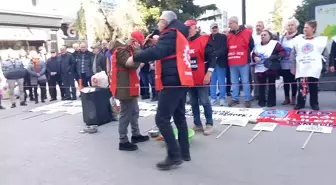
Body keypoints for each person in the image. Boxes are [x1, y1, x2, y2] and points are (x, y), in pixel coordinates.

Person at [125, 11, 193, 170]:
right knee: (179, 117)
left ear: (164, 21)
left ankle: (174, 156)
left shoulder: (170, 33)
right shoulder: (180, 33)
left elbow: (157, 52)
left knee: (162, 119)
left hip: (172, 79)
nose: (157, 24)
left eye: (159, 21)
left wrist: (135, 57)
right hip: (181, 78)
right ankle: (184, 153)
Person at [110, 31, 149, 151]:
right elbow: (131, 64)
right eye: (138, 43)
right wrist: (138, 52)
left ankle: (135, 134)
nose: (139, 46)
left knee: (134, 111)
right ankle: (123, 140)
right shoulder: (121, 50)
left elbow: (137, 64)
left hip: (130, 86)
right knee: (125, 114)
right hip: (124, 88)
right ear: (133, 42)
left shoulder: (128, 50)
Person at [184, 19, 216, 135]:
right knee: (193, 102)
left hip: (202, 77)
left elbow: (212, 58)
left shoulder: (204, 40)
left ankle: (209, 124)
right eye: (186, 28)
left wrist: (209, 73)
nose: (188, 31)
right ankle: (197, 124)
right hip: (189, 78)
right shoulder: (184, 42)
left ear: (195, 28)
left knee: (205, 101)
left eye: (189, 28)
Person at [291, 20, 329, 110]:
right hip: (302, 68)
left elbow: (325, 54)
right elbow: (293, 54)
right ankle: (300, 103)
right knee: (301, 86)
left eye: (307, 27)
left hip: (314, 68)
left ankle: (314, 103)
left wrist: (325, 65)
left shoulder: (319, 41)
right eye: (304, 27)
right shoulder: (298, 41)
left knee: (314, 87)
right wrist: (293, 66)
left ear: (313, 29)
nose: (304, 29)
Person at [252, 30, 285, 107]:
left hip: (271, 67)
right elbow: (253, 54)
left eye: (265, 35)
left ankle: (271, 102)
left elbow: (282, 52)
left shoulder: (275, 44)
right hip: (260, 68)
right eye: (262, 35)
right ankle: (261, 101)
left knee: (271, 85)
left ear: (269, 36)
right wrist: (255, 57)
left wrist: (272, 58)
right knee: (261, 85)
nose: (263, 36)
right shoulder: (257, 45)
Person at [227, 16, 254, 108]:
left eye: (230, 23)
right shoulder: (229, 35)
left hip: (243, 61)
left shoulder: (247, 32)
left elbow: (251, 45)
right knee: (234, 81)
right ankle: (235, 98)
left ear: (235, 23)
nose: (229, 25)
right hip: (232, 61)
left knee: (245, 81)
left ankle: (247, 99)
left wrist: (244, 54)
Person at [279, 18, 300, 105]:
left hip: (294, 64)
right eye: (289, 25)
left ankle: (294, 98)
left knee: (294, 82)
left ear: (296, 27)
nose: (290, 27)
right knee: (285, 82)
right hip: (284, 64)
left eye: (292, 25)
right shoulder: (282, 38)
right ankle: (286, 98)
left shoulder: (299, 37)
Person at [209, 22, 229, 106]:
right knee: (212, 81)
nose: (214, 29)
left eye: (216, 27)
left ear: (218, 28)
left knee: (221, 81)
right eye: (213, 28)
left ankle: (222, 98)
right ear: (210, 29)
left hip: (221, 62)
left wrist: (216, 55)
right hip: (211, 63)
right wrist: (211, 56)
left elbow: (224, 48)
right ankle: (213, 97)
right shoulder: (208, 38)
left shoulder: (223, 37)